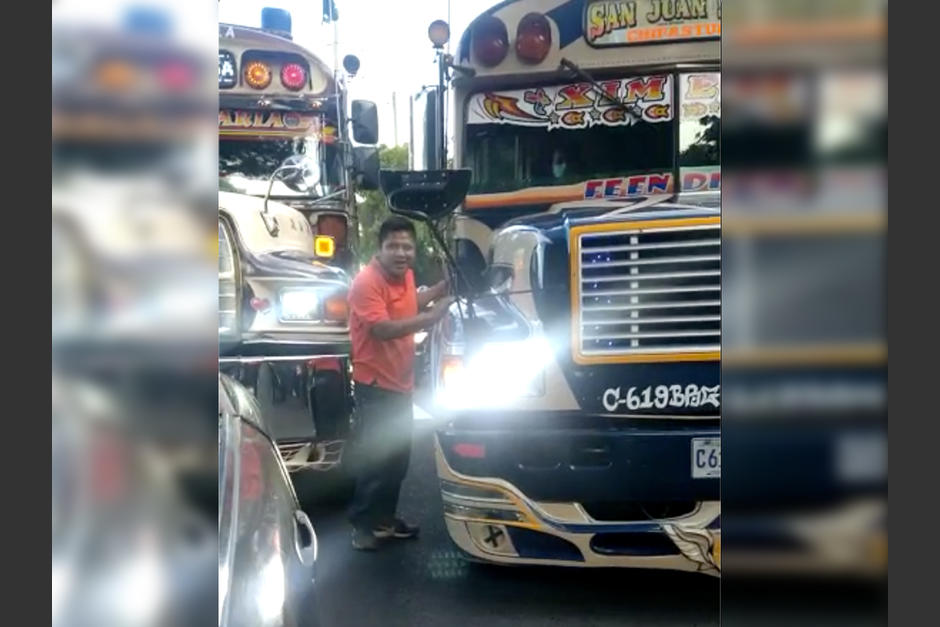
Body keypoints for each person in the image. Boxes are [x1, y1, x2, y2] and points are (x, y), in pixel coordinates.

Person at [346, 216, 452, 550]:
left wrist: (439, 290)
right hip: (375, 385)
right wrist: (431, 319)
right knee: (377, 461)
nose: (401, 252)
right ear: (380, 249)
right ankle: (362, 527)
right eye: (393, 246)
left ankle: (384, 521)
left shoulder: (405, 275)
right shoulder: (366, 283)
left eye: (407, 246)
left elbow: (408, 305)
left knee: (398, 461)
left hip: (400, 383)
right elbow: (382, 328)